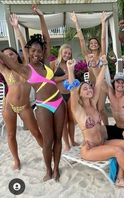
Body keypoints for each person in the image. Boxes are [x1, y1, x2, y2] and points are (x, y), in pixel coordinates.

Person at [0, 5, 65, 182]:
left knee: (58, 139)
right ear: (28, 52)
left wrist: (42, 18)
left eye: (39, 50)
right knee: (47, 141)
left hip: (59, 102)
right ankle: (48, 170)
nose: (37, 53)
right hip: (43, 105)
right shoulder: (24, 70)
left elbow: (46, 38)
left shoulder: (46, 62)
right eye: (33, 51)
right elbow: (5, 58)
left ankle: (57, 168)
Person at [66, 55, 124, 188]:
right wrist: (70, 70)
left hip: (102, 143)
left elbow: (99, 83)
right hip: (90, 149)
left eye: (89, 88)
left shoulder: (93, 104)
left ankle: (120, 178)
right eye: (85, 89)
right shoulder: (78, 109)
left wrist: (104, 65)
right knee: (118, 151)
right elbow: (72, 90)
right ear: (80, 93)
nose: (89, 90)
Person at [0, 13, 43, 170]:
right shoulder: (4, 70)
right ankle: (16, 160)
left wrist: (16, 28)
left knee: (36, 132)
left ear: (16, 56)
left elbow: (26, 48)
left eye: (11, 53)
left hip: (25, 107)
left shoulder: (26, 68)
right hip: (9, 107)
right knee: (11, 135)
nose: (8, 56)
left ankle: (47, 151)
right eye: (5, 55)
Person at [70, 11, 109, 125]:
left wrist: (103, 22)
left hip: (101, 85)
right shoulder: (87, 56)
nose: (93, 44)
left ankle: (107, 129)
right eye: (91, 43)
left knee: (101, 109)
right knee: (95, 109)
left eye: (95, 43)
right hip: (91, 86)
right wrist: (76, 23)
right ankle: (98, 127)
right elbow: (81, 40)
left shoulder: (102, 54)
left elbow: (103, 39)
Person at [50, 44, 78, 151]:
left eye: (69, 53)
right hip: (59, 94)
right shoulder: (54, 64)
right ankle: (66, 143)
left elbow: (73, 80)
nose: (67, 55)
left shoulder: (70, 64)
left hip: (70, 94)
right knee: (64, 120)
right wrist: (64, 77)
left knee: (71, 119)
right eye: (65, 53)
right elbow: (51, 79)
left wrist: (71, 70)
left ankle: (72, 140)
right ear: (60, 52)